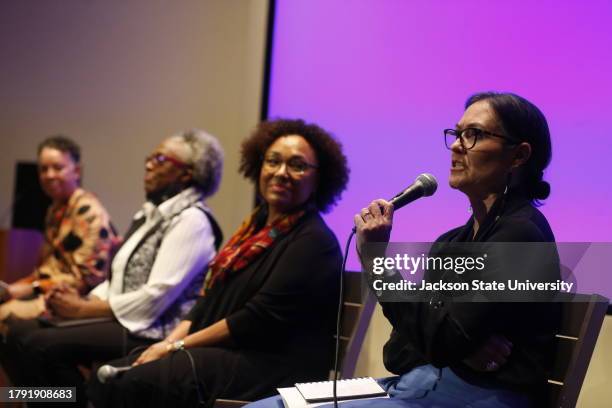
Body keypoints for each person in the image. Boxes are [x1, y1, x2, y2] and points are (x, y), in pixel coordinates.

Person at [248, 92, 560, 408]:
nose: (456, 145)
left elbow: (438, 341)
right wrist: (458, 349)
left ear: (519, 156)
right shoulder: (451, 243)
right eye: (457, 133)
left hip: (480, 396)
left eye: (474, 135)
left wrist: (376, 261)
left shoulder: (521, 235)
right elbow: (397, 352)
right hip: (421, 381)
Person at [87, 118, 350, 407]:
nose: (281, 173)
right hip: (229, 354)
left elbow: (255, 319)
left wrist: (174, 346)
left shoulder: (314, 242)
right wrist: (166, 345)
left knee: (135, 382)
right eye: (273, 161)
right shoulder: (254, 230)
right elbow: (208, 301)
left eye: (297, 165)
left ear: (319, 180)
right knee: (109, 377)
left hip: (271, 369)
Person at [1, 129, 224, 406]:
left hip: (154, 329)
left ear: (187, 173)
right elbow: (116, 277)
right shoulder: (150, 214)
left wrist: (82, 308)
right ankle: (40, 400)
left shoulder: (192, 221)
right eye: (150, 157)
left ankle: (73, 402)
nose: (148, 164)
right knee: (18, 335)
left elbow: (154, 296)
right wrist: (84, 302)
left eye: (160, 159)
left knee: (37, 346)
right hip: (122, 317)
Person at [0, 135, 114, 326]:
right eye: (43, 169)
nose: (49, 175)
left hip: (71, 301)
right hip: (46, 292)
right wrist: (17, 286)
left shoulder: (89, 213)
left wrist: (33, 288)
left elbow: (88, 279)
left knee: (3, 314)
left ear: (76, 171)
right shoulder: (56, 209)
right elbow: (48, 269)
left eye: (58, 168)